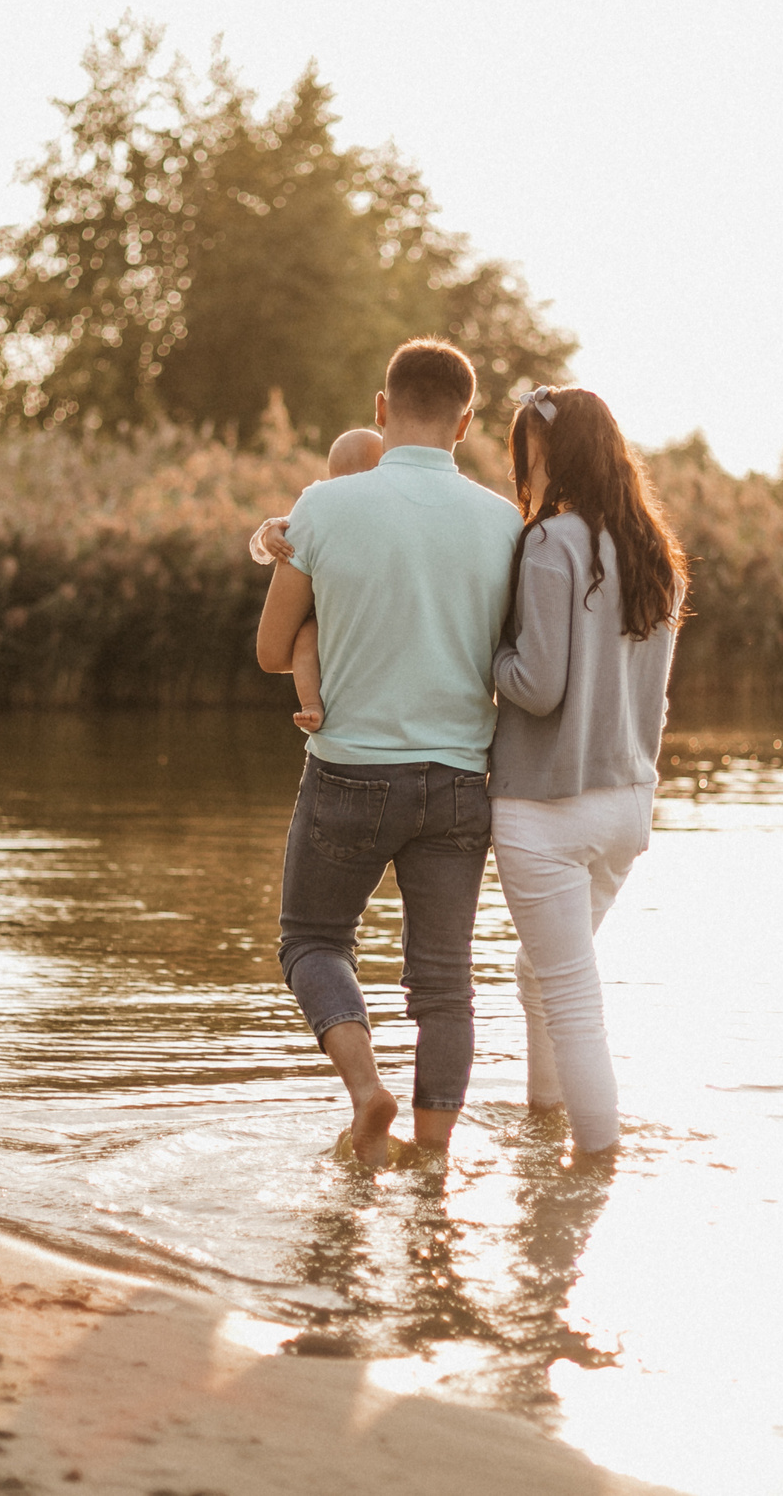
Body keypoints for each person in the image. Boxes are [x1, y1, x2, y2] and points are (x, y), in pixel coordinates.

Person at [254, 344, 523, 1168]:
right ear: (467, 422)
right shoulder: (504, 523)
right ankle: (434, 1165)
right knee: (444, 984)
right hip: (456, 782)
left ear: (381, 408)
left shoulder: (325, 506)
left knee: (312, 939)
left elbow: (271, 650)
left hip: (347, 774)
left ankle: (368, 1090)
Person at [487, 385, 687, 1159]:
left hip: (547, 806)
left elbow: (537, 685)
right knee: (541, 972)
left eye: (524, 454)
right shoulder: (655, 556)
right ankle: (544, 1125)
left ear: (548, 453)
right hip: (627, 807)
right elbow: (653, 702)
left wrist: (487, 656)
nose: (521, 469)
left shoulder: (550, 544)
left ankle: (594, 1167)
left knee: (569, 993)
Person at [250, 427, 384, 733]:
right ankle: (311, 704)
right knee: (307, 637)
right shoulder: (324, 505)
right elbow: (284, 529)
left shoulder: (381, 510)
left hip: (358, 604)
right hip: (323, 610)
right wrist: (269, 533)